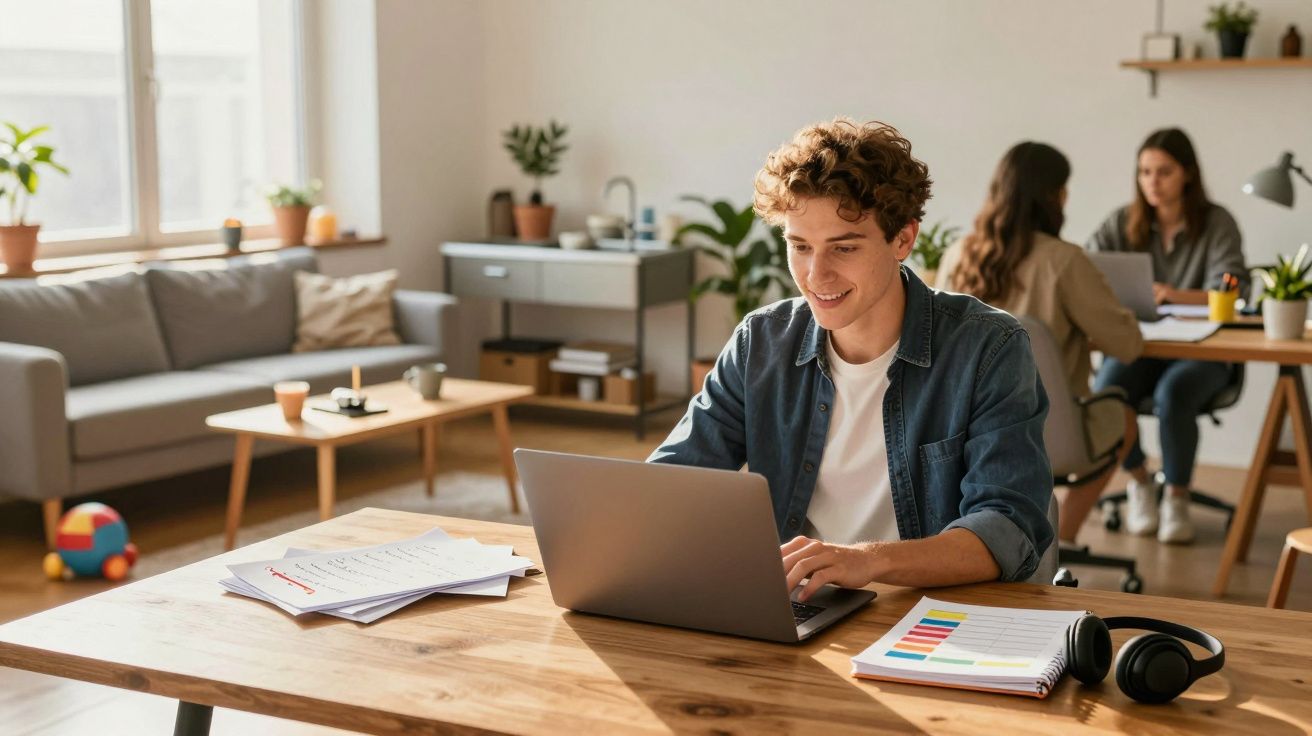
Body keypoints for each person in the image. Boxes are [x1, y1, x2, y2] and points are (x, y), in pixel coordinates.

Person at [648, 118, 1053, 598]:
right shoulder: (762, 341)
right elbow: (671, 484)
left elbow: (1006, 530)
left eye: (843, 248)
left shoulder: (988, 348)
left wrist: (866, 561)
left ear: (903, 239)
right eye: (800, 247)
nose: (816, 275)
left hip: (931, 610)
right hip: (801, 604)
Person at [936, 142, 1143, 546]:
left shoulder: (958, 255)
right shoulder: (1063, 260)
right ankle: (1061, 541)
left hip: (960, 433)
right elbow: (1128, 346)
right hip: (1045, 434)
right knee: (1125, 420)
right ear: (1055, 195)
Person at [1088, 127, 1247, 544]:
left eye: (1163, 172)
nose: (1152, 182)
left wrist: (1171, 294)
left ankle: (1176, 496)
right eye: (1144, 172)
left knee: (1173, 394)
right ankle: (1140, 481)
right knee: (1106, 392)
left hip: (1203, 353)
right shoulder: (1121, 222)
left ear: (1187, 174)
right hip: (1140, 347)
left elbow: (1232, 290)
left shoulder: (1216, 222)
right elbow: (1086, 272)